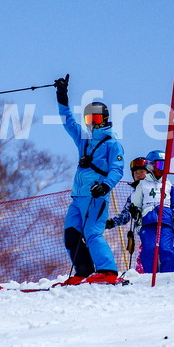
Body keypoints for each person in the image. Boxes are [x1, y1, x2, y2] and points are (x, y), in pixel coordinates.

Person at [54, 75, 125, 284]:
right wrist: (61, 95)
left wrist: (104, 186)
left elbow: (117, 169)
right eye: (89, 120)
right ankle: (83, 273)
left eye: (94, 119)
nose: (91, 124)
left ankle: (108, 271)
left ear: (104, 119)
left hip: (95, 195)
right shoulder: (84, 140)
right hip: (77, 197)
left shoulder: (112, 143)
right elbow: (68, 122)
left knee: (93, 232)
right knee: (71, 234)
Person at [109, 149, 174, 273]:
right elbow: (127, 213)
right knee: (149, 250)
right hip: (146, 224)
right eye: (135, 172)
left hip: (164, 221)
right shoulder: (138, 190)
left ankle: (168, 274)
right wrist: (113, 221)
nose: (138, 174)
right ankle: (148, 275)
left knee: (165, 249)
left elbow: (172, 204)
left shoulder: (165, 185)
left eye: (141, 171)